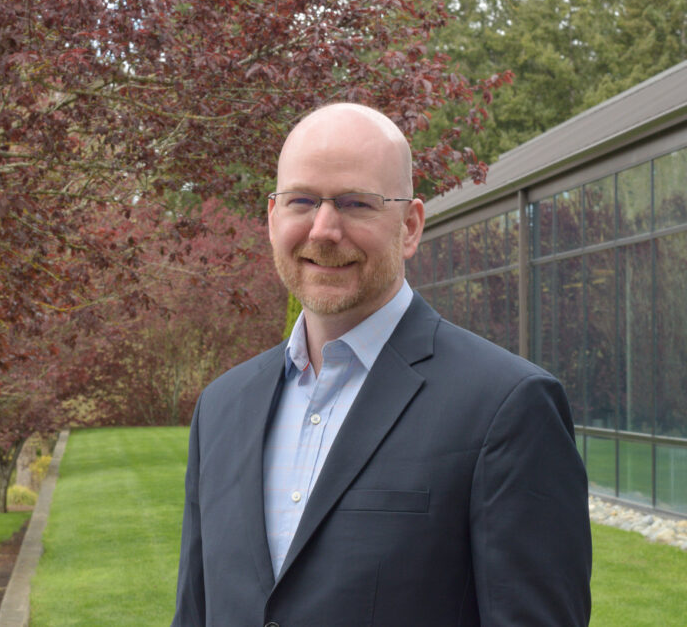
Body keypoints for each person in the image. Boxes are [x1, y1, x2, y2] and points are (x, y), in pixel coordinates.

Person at [171, 103, 591, 626]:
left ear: (410, 226)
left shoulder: (506, 406)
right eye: (302, 200)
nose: (324, 229)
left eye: (355, 203)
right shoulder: (221, 408)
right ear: (273, 218)